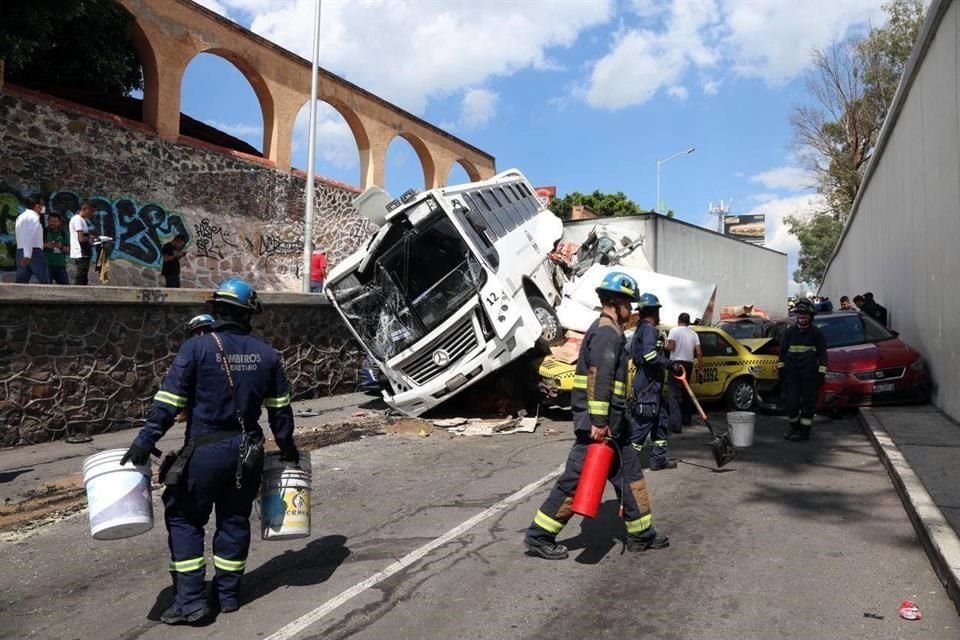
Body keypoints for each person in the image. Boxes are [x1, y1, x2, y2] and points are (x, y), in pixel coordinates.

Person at [120, 277, 300, 624]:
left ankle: (190, 603)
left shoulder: (197, 348)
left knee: (185, 519)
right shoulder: (268, 355)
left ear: (216, 309)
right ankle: (228, 595)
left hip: (205, 451)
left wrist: (145, 441)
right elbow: (281, 410)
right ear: (249, 314)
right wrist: (288, 448)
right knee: (234, 519)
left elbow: (169, 402)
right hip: (248, 452)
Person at [523, 272, 669, 560]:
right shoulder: (606, 332)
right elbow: (599, 380)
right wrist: (600, 423)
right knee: (575, 482)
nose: (632, 312)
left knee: (631, 477)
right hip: (599, 428)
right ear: (616, 302)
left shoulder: (609, 330)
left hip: (615, 427)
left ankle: (641, 534)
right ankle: (539, 536)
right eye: (629, 304)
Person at [630, 292, 676, 470]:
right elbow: (649, 356)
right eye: (658, 312)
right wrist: (669, 364)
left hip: (652, 385)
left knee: (661, 419)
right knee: (642, 426)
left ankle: (658, 460)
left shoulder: (641, 329)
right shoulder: (648, 329)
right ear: (654, 312)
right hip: (648, 385)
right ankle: (627, 464)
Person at [778, 298, 828, 442]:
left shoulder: (816, 333)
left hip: (809, 376)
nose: (802, 318)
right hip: (792, 375)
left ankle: (804, 431)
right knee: (791, 402)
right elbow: (782, 352)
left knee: (808, 403)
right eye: (799, 315)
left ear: (810, 317)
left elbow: (823, 355)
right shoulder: (790, 332)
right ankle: (794, 427)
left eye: (805, 315)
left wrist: (821, 373)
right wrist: (781, 370)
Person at [665, 312, 703, 433]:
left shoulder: (674, 331)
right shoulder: (693, 334)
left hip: (675, 364)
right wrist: (701, 369)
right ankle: (687, 419)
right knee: (686, 392)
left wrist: (665, 344)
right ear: (688, 321)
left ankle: (676, 425)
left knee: (674, 395)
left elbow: (671, 347)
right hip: (688, 364)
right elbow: (699, 352)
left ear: (678, 320)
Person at [15, 197, 50, 284]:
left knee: (21, 282)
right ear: (37, 206)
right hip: (33, 252)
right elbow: (29, 236)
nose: (43, 207)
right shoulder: (33, 218)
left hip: (20, 250)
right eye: (42, 205)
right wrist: (27, 255)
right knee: (44, 280)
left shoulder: (20, 217)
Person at [69, 201, 96, 285]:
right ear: (84, 209)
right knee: (81, 276)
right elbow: (81, 239)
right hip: (81, 252)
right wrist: (89, 238)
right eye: (91, 211)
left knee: (83, 276)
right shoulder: (78, 220)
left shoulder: (82, 220)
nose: (92, 213)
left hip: (84, 252)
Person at [43, 211, 70, 285]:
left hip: (60, 266)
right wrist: (46, 245)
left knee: (66, 288)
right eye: (50, 221)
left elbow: (69, 250)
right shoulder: (43, 232)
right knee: (46, 287)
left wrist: (61, 247)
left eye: (55, 221)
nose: (52, 223)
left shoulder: (63, 234)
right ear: (48, 221)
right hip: (46, 266)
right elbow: (35, 246)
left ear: (59, 222)